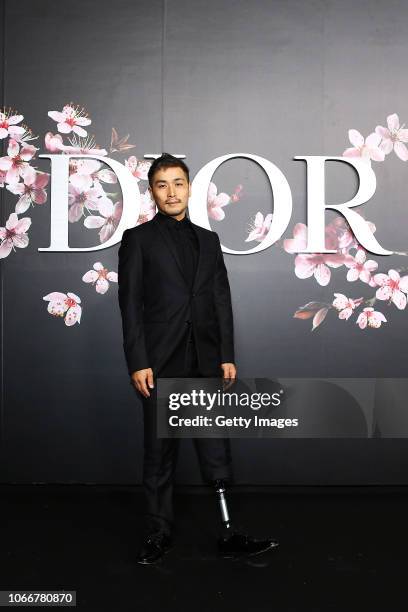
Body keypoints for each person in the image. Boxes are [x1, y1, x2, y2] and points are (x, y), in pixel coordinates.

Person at [118, 153, 278, 564]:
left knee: (215, 450)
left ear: (190, 187)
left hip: (206, 361)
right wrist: (138, 360)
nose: (171, 192)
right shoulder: (138, 241)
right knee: (160, 453)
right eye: (162, 185)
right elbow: (130, 304)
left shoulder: (209, 241)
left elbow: (220, 300)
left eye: (178, 183)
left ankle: (228, 532)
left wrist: (226, 354)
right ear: (152, 192)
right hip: (159, 361)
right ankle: (157, 532)